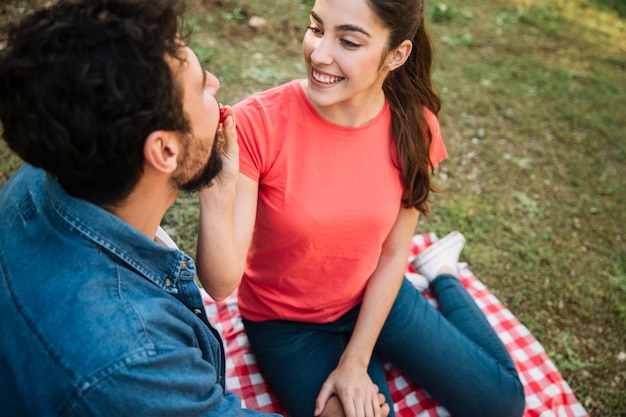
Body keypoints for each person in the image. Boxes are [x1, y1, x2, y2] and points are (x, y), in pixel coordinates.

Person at [196, 0, 526, 416]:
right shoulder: (258, 123)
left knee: (504, 404)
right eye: (316, 29)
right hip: (287, 324)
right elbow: (221, 285)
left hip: (375, 297)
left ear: (396, 54)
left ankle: (443, 274)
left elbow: (391, 254)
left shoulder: (415, 126)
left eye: (348, 40)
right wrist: (216, 187)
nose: (319, 54)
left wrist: (356, 359)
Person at [0, 0, 281, 415]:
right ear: (165, 149)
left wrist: (216, 192)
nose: (218, 84)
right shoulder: (133, 358)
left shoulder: (44, 174)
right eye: (203, 86)